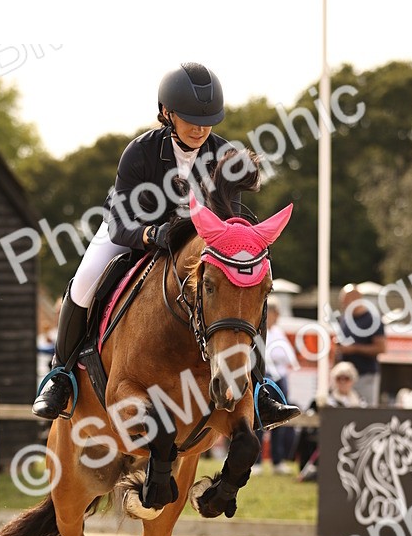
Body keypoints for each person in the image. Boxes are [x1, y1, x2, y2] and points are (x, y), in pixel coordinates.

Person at [32, 62, 300, 429]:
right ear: (166, 113)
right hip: (133, 235)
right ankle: (60, 375)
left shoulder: (223, 156)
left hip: (197, 248)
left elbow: (228, 227)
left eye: (207, 119)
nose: (200, 127)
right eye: (190, 118)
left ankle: (261, 388)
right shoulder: (140, 153)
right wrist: (150, 235)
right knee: (85, 278)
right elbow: (120, 219)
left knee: (246, 284)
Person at [257, 298, 298, 473]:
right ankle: (256, 461)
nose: (279, 316)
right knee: (259, 420)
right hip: (265, 378)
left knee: (280, 421)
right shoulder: (259, 331)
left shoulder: (279, 332)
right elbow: (265, 355)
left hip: (280, 378)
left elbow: (289, 357)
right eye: (277, 312)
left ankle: (278, 461)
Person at [334, 285, 385, 406]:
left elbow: (381, 347)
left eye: (345, 302)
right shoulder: (345, 319)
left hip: (365, 375)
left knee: (364, 412)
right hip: (345, 378)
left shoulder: (372, 320)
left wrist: (354, 349)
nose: (343, 305)